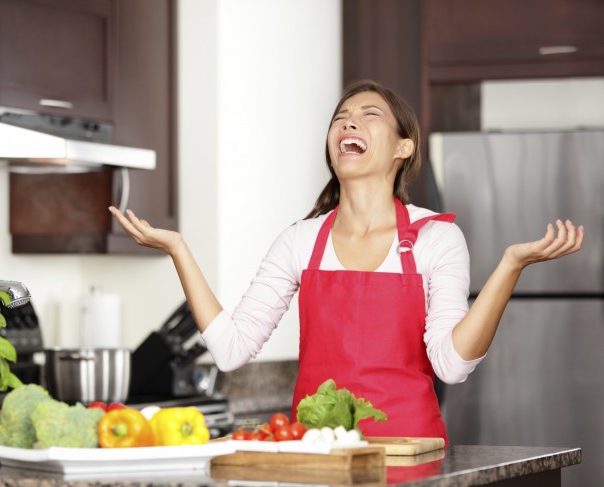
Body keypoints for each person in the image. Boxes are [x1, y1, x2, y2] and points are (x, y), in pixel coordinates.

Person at [109, 79, 584, 443]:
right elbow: (232, 350)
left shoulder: (435, 238)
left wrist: (509, 267)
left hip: (409, 451)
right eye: (341, 117)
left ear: (404, 148)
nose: (349, 123)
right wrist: (179, 251)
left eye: (369, 115)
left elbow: (452, 365)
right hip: (319, 455)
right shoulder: (300, 240)